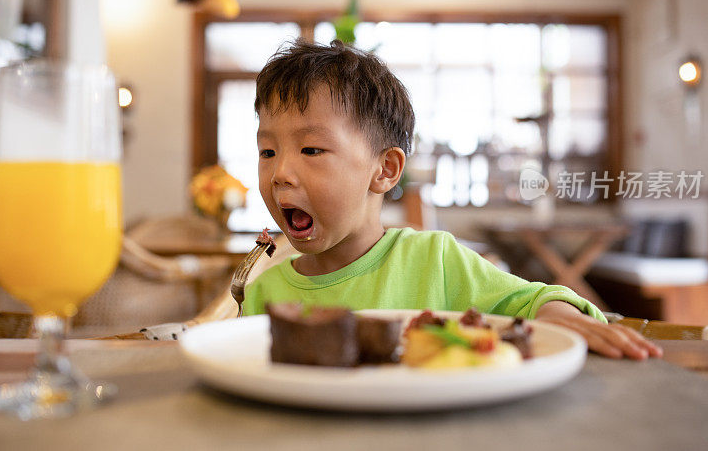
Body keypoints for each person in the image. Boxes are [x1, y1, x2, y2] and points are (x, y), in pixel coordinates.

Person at [245, 39, 661, 360]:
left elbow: (534, 300)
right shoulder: (266, 291)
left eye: (311, 150)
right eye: (268, 152)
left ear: (385, 170)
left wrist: (559, 317)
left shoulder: (435, 261)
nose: (280, 173)